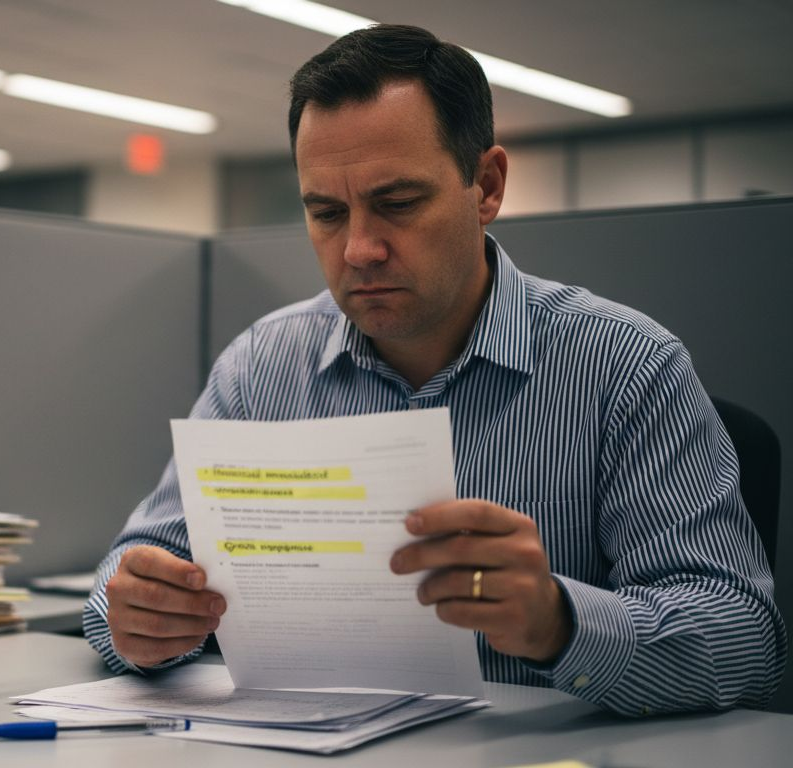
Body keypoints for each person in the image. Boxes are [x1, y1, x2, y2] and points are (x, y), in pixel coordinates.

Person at [83, 24, 786, 716]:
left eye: (397, 204)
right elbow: (135, 566)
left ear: (485, 185)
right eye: (327, 212)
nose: (359, 249)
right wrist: (139, 613)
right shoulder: (263, 366)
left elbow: (744, 636)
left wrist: (559, 623)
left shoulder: (623, 366)